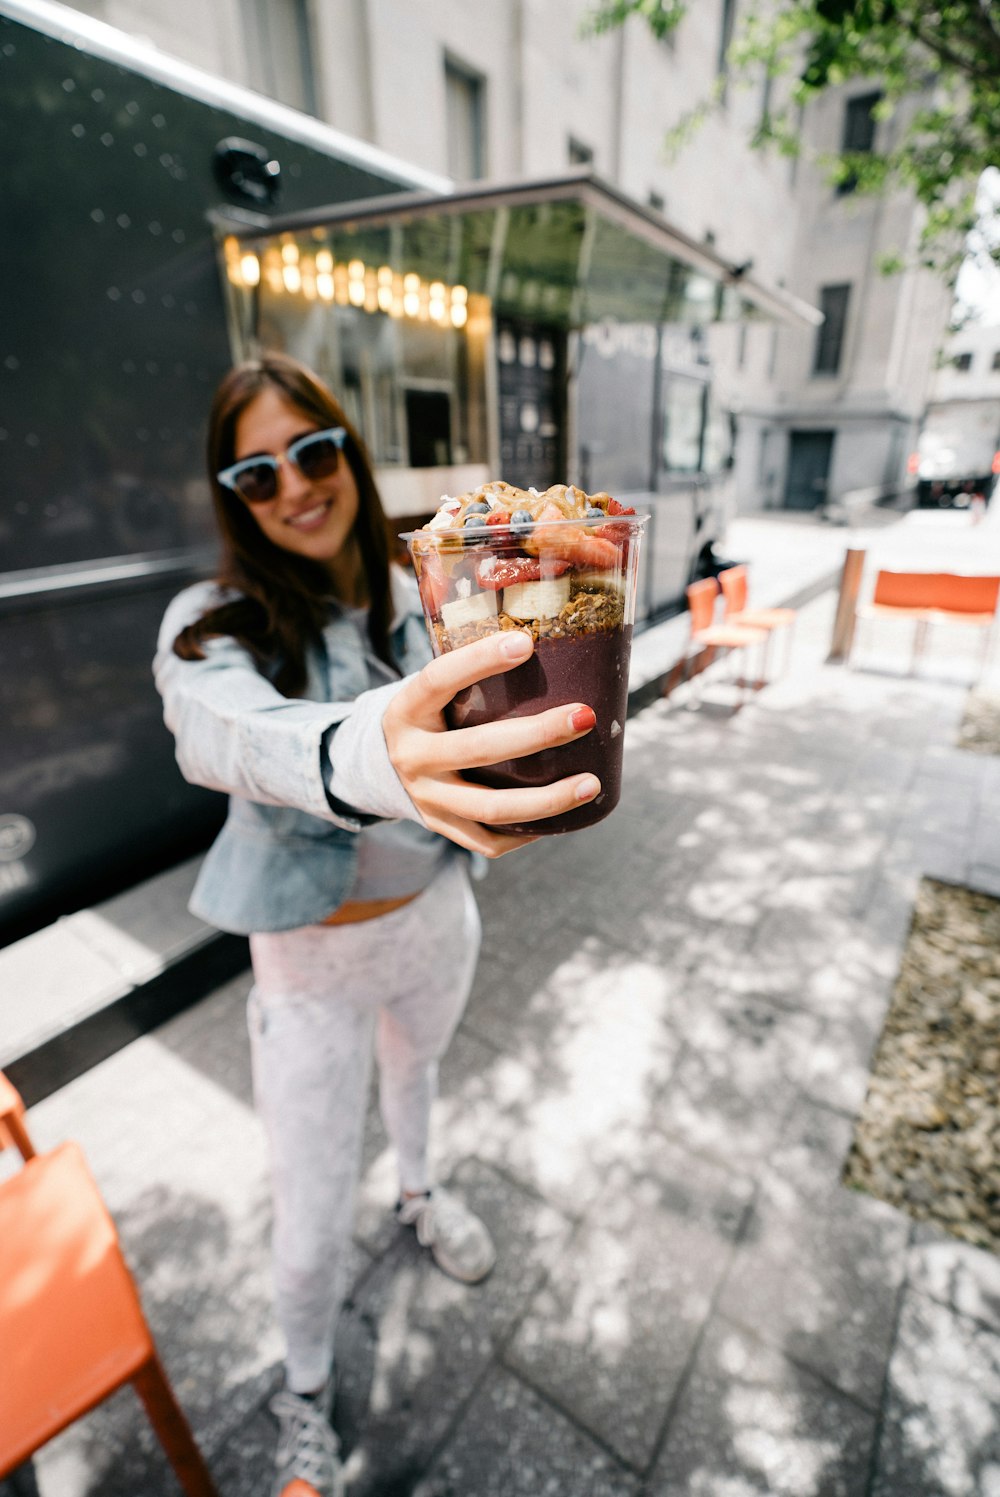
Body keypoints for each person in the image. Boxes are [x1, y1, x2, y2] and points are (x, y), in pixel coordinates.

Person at [153, 352, 601, 1497]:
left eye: (311, 451)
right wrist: (369, 755)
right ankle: (304, 1390)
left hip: (436, 918)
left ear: (347, 450)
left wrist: (557, 597)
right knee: (306, 1211)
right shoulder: (213, 622)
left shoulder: (427, 587)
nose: (295, 486)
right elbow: (221, 733)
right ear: (230, 495)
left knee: (422, 1082)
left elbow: (529, 678)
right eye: (258, 473)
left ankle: (418, 1197)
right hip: (307, 963)